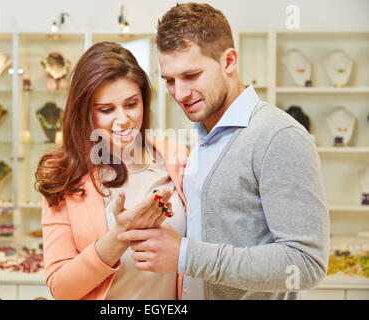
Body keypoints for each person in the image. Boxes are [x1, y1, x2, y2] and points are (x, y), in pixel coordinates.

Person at [118, 3, 330, 300]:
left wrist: (185, 255)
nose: (179, 94)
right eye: (169, 80)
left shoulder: (279, 136)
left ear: (229, 60)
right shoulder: (204, 138)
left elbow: (306, 264)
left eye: (191, 75)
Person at [35, 41, 188, 300]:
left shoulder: (176, 158)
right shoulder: (62, 174)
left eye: (131, 104)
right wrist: (118, 237)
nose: (123, 120)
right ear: (85, 113)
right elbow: (60, 288)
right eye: (106, 110)